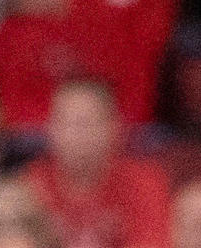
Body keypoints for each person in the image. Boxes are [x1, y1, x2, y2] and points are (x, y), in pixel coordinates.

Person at [13, 83, 168, 248]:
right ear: (51, 129)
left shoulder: (145, 183)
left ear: (115, 127)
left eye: (90, 122)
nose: (80, 134)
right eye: (70, 123)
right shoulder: (29, 186)